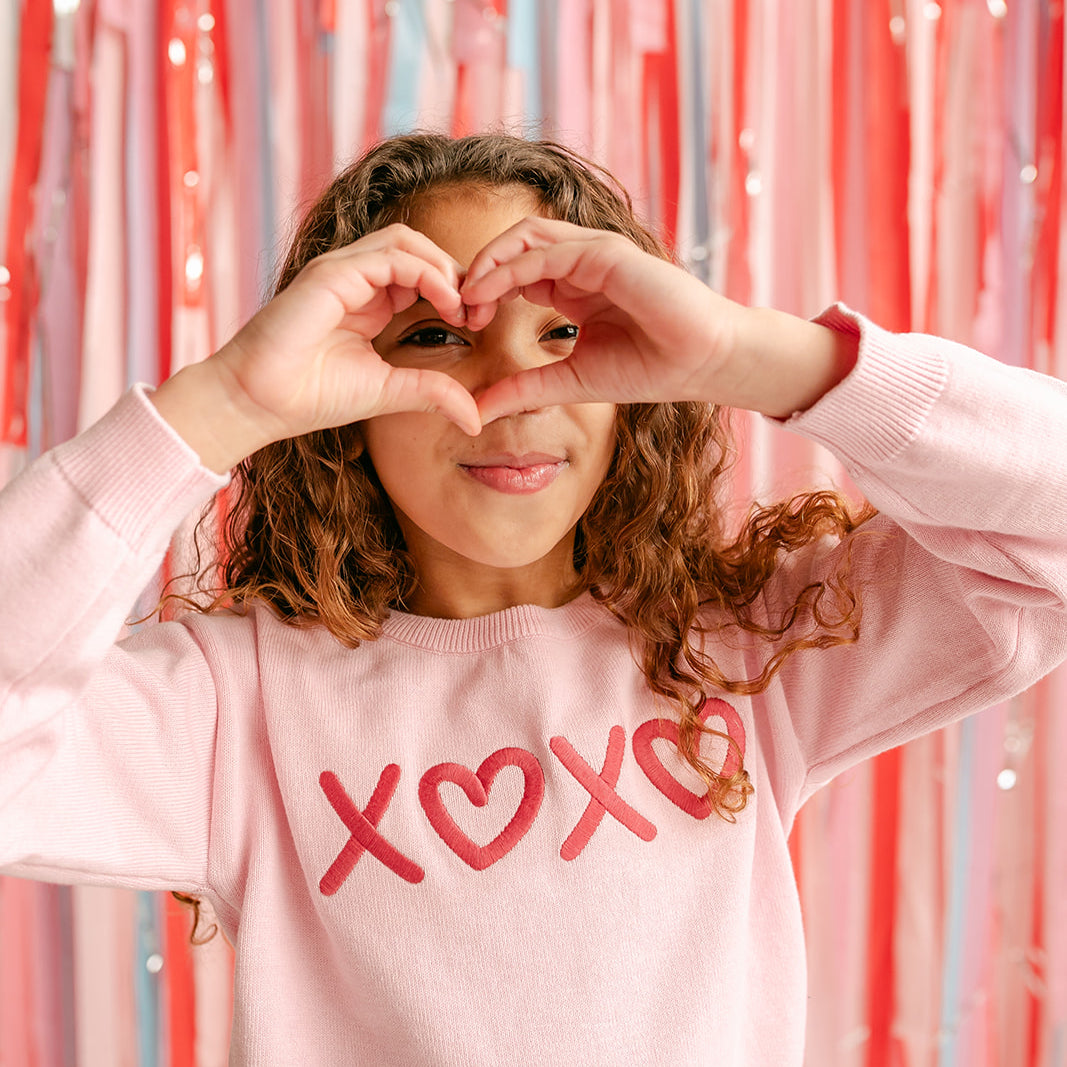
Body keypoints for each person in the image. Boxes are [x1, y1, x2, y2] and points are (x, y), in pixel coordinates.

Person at [1, 131, 1065, 1066]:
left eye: (561, 334)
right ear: (342, 399)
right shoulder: (237, 706)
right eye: (435, 335)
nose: (508, 395)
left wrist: (754, 358)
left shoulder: (741, 649)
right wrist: (225, 402)